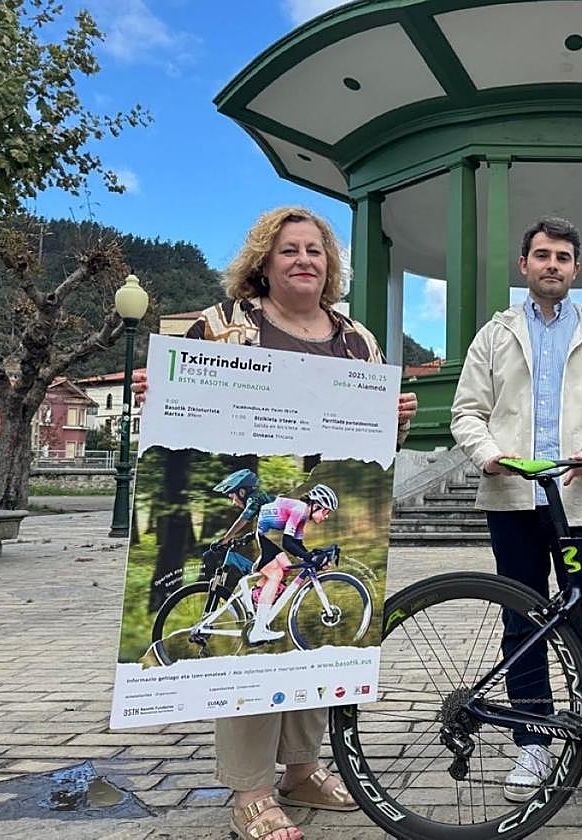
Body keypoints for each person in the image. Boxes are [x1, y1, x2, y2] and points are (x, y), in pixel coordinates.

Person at [133, 206, 418, 840]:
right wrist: (158, 395)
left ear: (330, 263)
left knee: (310, 635)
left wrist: (395, 418)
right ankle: (252, 791)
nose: (303, 260)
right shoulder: (223, 328)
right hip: (251, 491)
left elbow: (375, 441)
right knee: (256, 642)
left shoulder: (357, 340)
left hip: (304, 496)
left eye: (315, 250)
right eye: (289, 249)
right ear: (263, 261)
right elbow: (178, 410)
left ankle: (302, 770)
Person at [450, 216, 582, 821]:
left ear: (576, 269)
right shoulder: (494, 335)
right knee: (522, 622)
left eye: (563, 256)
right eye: (542, 255)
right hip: (513, 498)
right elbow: (467, 411)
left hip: (580, 500)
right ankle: (533, 744)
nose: (552, 265)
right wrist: (489, 455)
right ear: (524, 264)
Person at [247, 483, 339, 644]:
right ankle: (258, 630)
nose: (326, 516)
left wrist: (311, 557)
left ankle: (254, 597)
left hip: (268, 536)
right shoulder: (300, 510)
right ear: (316, 505)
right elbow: (287, 543)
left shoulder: (303, 516)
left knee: (286, 569)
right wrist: (309, 557)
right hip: (262, 535)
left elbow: (297, 544)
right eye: (326, 511)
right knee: (276, 575)